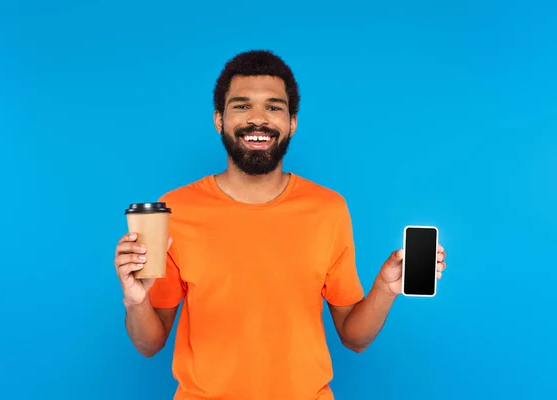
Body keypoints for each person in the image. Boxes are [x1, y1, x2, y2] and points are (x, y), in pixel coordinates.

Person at [113, 50, 447, 400]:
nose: (258, 119)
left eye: (273, 107)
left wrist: (385, 288)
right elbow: (149, 344)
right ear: (218, 120)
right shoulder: (176, 210)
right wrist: (136, 301)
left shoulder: (328, 209)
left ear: (292, 122)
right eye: (241, 106)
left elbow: (354, 337)